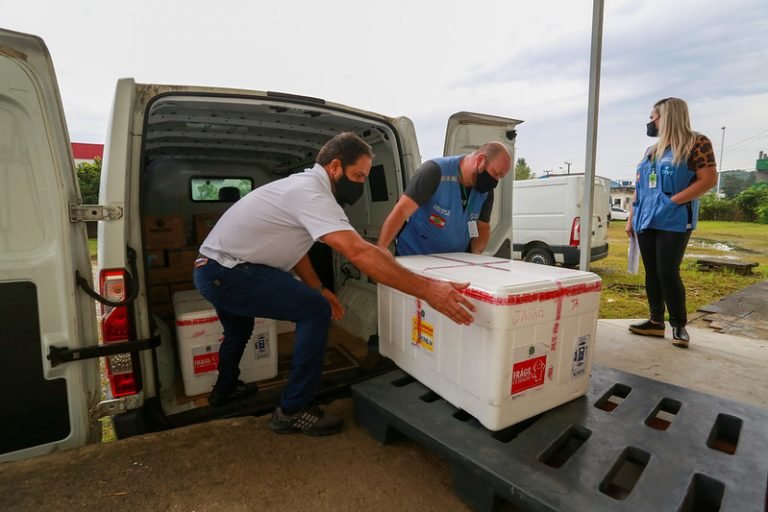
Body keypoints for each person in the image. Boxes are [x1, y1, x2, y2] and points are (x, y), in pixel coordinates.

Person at [194, 132, 476, 436]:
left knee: (240, 328)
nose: (360, 184)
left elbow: (296, 245)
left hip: (213, 269)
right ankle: (293, 410)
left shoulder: (303, 188)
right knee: (314, 311)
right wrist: (429, 290)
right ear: (335, 167)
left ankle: (224, 391)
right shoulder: (311, 193)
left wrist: (319, 287)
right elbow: (357, 252)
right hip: (230, 271)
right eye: (357, 175)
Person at [626, 97, 717, 348]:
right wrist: (632, 218)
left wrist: (673, 201)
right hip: (646, 218)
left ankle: (678, 324)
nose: (650, 122)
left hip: (674, 219)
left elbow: (707, 180)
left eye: (653, 117)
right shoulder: (652, 150)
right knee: (652, 272)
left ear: (666, 117)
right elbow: (640, 186)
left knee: (668, 271)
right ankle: (656, 321)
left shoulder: (697, 143)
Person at [376, 142, 512, 255]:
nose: (495, 181)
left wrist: (475, 256)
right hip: (414, 257)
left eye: (500, 177)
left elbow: (482, 228)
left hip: (451, 264)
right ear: (481, 160)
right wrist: (381, 249)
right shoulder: (434, 172)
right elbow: (401, 211)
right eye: (495, 173)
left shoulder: (485, 192)